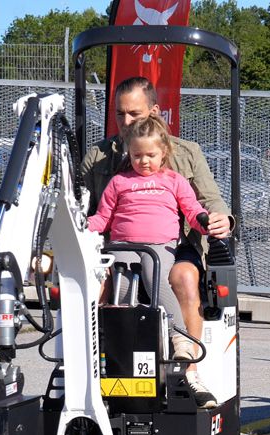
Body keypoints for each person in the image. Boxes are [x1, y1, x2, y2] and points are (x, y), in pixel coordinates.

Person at [81, 76, 234, 408]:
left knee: (182, 277)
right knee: (94, 287)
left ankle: (190, 370)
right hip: (117, 248)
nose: (125, 123)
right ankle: (95, 370)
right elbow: (91, 210)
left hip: (172, 244)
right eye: (119, 114)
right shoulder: (99, 158)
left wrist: (220, 220)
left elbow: (207, 203)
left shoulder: (184, 155)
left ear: (154, 112)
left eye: (133, 114)